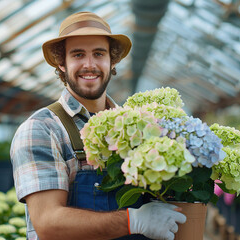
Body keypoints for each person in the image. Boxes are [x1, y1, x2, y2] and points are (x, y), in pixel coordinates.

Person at [10, 11, 186, 240]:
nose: (89, 65)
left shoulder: (139, 126)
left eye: (99, 53)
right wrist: (134, 221)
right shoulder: (42, 129)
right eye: (78, 54)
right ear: (62, 64)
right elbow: (48, 223)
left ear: (112, 61)